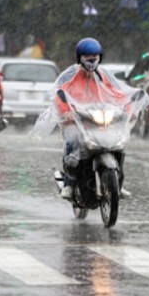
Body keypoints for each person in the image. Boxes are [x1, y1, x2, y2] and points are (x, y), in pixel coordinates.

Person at [41, 38, 135, 200]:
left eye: (95, 56)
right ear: (79, 57)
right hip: (76, 121)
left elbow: (117, 93)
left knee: (117, 146)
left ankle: (118, 184)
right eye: (87, 57)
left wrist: (128, 108)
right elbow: (59, 95)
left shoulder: (103, 75)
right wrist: (66, 111)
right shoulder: (70, 75)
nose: (91, 60)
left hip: (99, 119)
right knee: (72, 143)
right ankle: (70, 184)